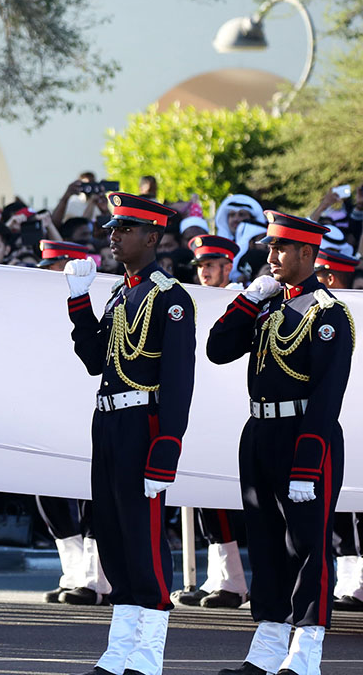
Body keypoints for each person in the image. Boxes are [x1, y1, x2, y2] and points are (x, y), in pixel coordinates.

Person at [208, 211, 354, 675]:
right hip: (260, 434)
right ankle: (266, 652)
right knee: (267, 544)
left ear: (308, 254)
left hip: (304, 437)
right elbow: (218, 349)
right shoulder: (267, 306)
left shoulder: (328, 315)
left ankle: (305, 653)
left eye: (281, 249)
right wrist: (249, 299)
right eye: (269, 247)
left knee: (309, 546)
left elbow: (327, 394)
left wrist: (308, 464)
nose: (270, 257)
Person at [63, 192, 195, 675]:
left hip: (145, 425)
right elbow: (96, 360)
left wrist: (168, 446)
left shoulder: (171, 298)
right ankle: (120, 647)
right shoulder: (122, 293)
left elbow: (180, 380)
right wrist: (79, 302)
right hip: (110, 422)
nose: (113, 236)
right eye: (113, 228)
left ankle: (149, 651)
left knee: (143, 537)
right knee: (113, 535)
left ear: (153, 237)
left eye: (125, 229)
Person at [174, 235, 250, 611]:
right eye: (201, 265)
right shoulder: (195, 300)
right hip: (202, 410)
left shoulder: (243, 299)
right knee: (204, 499)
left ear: (228, 267)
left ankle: (235, 581)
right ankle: (223, 577)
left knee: (231, 501)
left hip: (234, 412)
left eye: (211, 264)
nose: (203, 271)